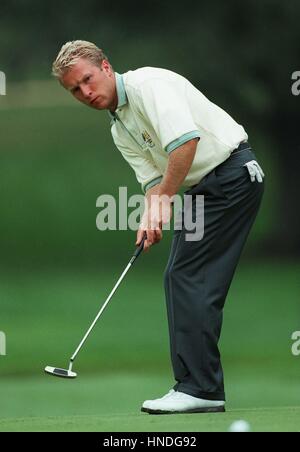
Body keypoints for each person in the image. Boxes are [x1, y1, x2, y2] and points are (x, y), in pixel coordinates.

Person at [52, 40, 265, 414]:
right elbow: (153, 181)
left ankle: (200, 388)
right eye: (74, 89)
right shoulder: (119, 128)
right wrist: (151, 215)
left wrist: (165, 198)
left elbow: (186, 143)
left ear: (105, 66)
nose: (85, 92)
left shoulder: (147, 86)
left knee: (187, 276)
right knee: (181, 276)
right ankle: (198, 386)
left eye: (86, 79)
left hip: (231, 177)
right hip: (208, 189)